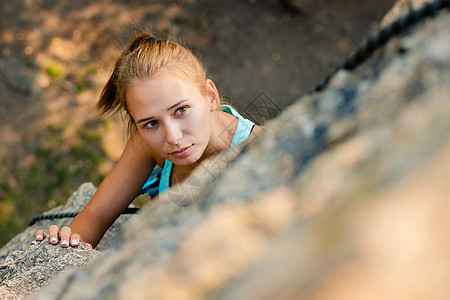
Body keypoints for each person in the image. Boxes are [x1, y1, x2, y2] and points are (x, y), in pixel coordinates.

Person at [35, 34, 263, 248]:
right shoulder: (145, 143)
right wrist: (68, 243)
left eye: (181, 110)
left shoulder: (260, 151)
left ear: (210, 96)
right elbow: (97, 214)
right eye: (151, 123)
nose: (173, 137)